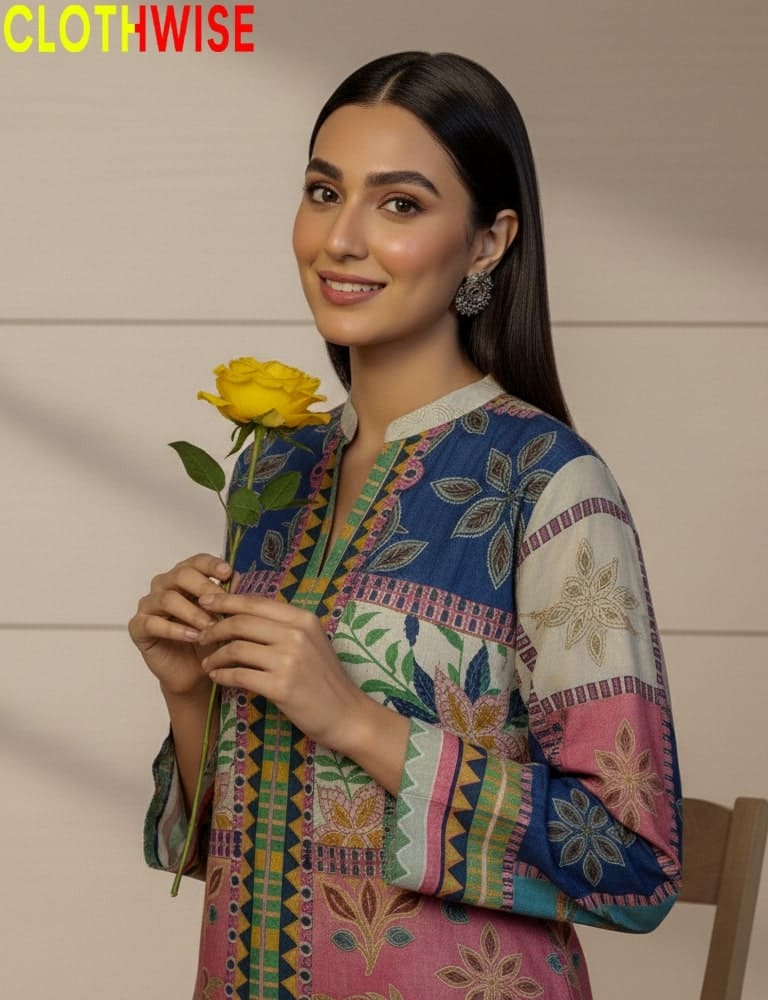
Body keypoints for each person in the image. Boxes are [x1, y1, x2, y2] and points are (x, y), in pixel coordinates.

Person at [130, 51, 682, 1000]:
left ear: (488, 242)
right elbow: (240, 843)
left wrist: (356, 720)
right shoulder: (273, 472)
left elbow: (634, 863)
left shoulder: (549, 487)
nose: (341, 238)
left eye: (399, 204)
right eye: (324, 191)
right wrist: (189, 695)